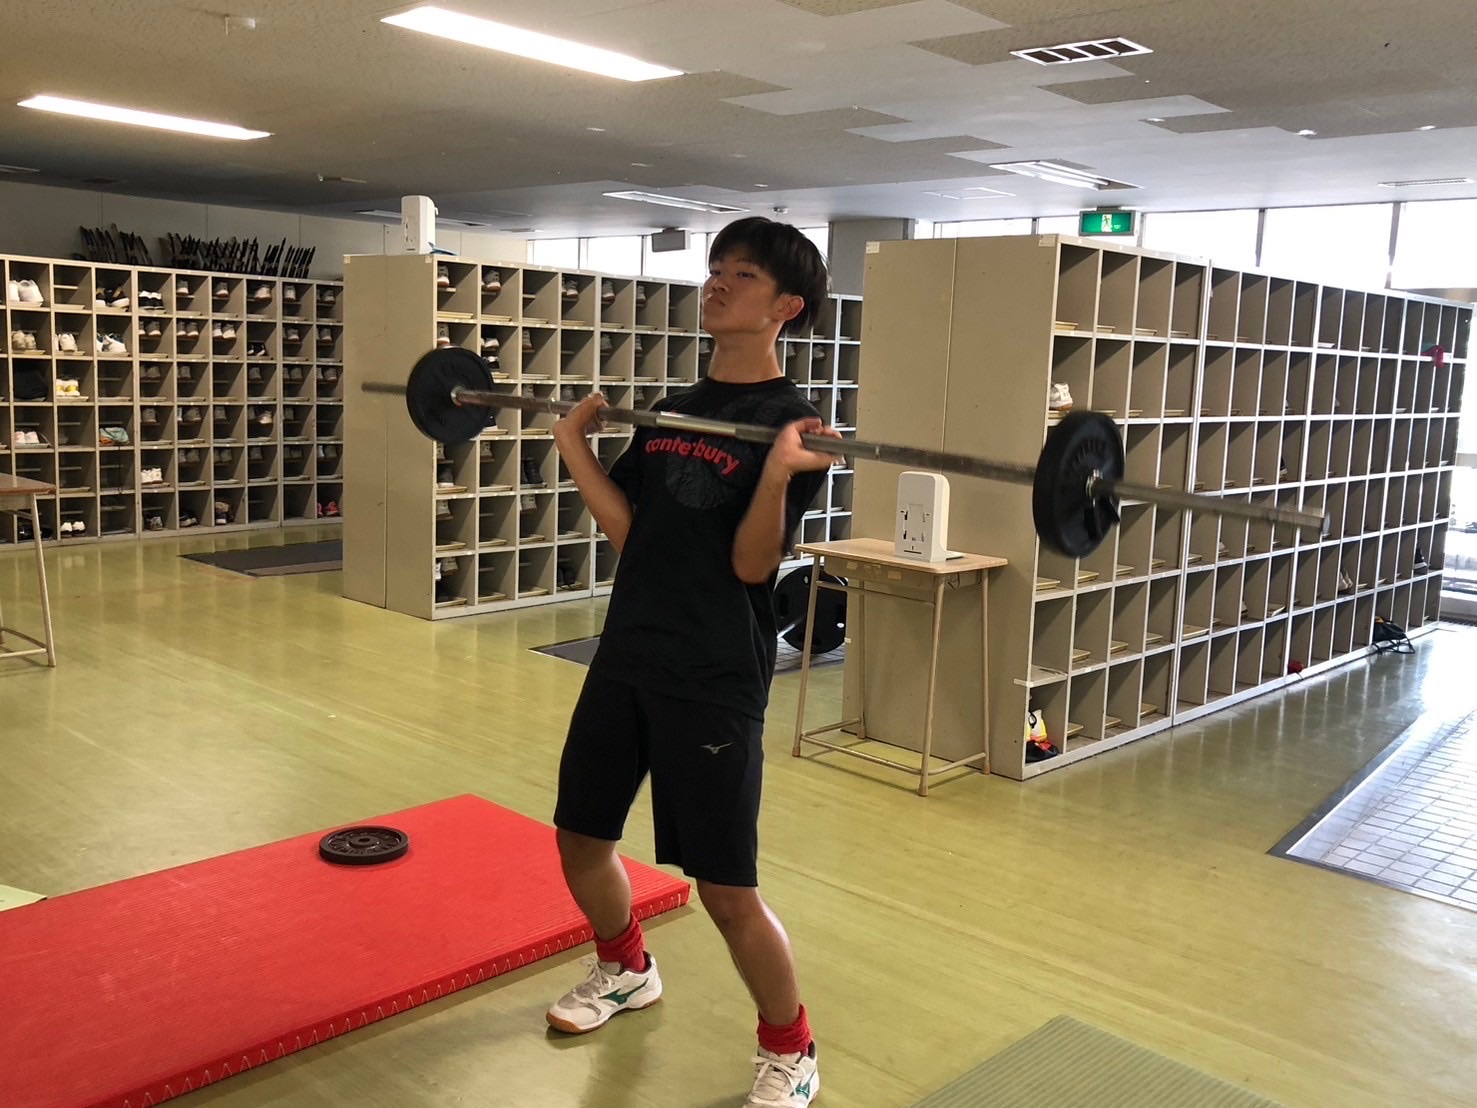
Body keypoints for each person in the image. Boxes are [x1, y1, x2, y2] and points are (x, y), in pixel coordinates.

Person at [545, 216, 839, 1107]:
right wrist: (574, 449)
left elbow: (751, 567)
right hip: (627, 652)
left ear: (785, 307)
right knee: (580, 838)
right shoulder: (674, 409)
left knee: (724, 889)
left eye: (741, 274)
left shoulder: (796, 427)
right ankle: (625, 969)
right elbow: (632, 533)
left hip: (713, 674)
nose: (716, 283)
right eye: (715, 269)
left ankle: (791, 1048)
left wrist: (779, 475)